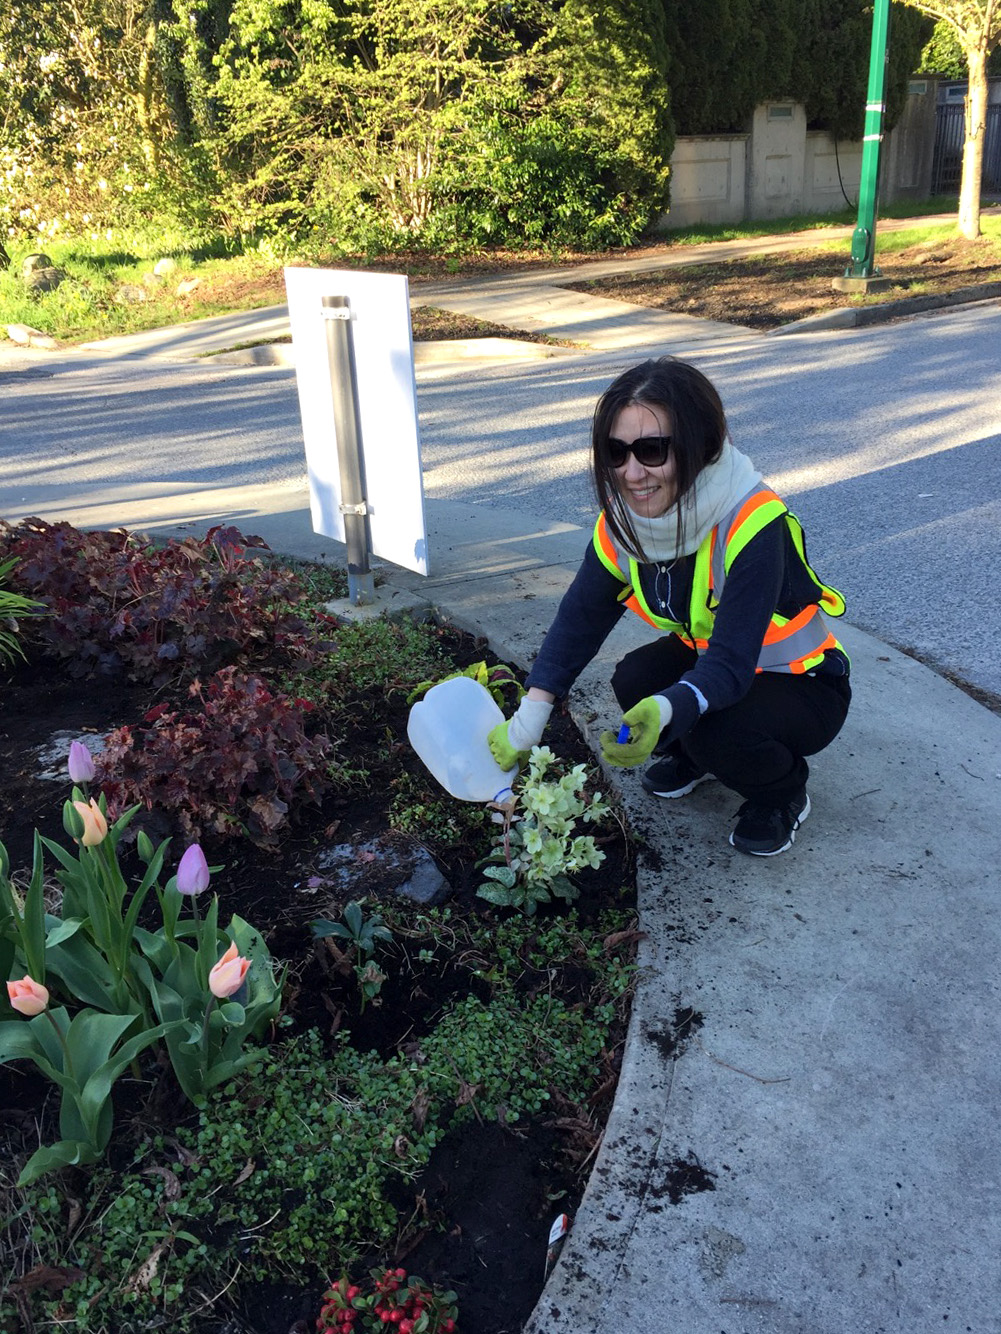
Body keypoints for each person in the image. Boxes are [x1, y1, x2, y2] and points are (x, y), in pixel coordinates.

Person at [488, 356, 851, 857]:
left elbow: (729, 664)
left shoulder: (752, 523)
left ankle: (782, 792)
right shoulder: (624, 523)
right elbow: (580, 620)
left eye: (652, 450)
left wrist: (669, 708)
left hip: (804, 683)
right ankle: (698, 757)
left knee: (715, 728)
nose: (631, 473)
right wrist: (530, 716)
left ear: (700, 446)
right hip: (717, 663)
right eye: (615, 452)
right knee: (634, 678)